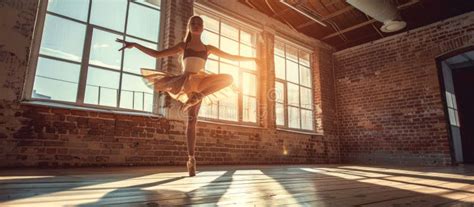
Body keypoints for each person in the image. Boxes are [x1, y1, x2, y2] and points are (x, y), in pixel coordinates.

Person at [116, 15, 256, 177]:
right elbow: (157, 54)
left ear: (203, 28)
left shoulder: (208, 48)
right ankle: (191, 159)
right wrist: (135, 45)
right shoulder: (183, 46)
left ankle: (198, 96)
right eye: (193, 24)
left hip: (201, 83)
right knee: (192, 121)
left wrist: (252, 58)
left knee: (229, 78)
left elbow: (231, 57)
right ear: (189, 27)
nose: (196, 26)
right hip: (187, 82)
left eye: (199, 24)